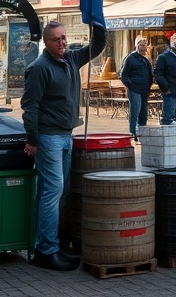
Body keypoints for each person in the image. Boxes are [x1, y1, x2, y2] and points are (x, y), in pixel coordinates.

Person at [22, 20, 106, 270]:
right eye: (55, 39)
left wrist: (98, 24)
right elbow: (30, 105)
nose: (61, 43)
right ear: (45, 43)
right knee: (52, 192)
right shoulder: (39, 68)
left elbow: (97, 46)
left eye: (63, 38)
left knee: (57, 192)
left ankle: (50, 246)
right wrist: (33, 139)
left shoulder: (70, 59)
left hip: (66, 136)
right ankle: (46, 251)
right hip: (49, 138)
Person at [119, 35, 154, 139]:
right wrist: (131, 85)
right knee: (135, 112)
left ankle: (141, 132)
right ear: (137, 46)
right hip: (134, 90)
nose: (144, 48)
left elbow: (150, 73)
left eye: (145, 46)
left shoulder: (146, 60)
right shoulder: (130, 58)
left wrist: (149, 84)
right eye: (142, 46)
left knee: (143, 112)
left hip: (144, 90)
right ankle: (133, 133)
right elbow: (123, 75)